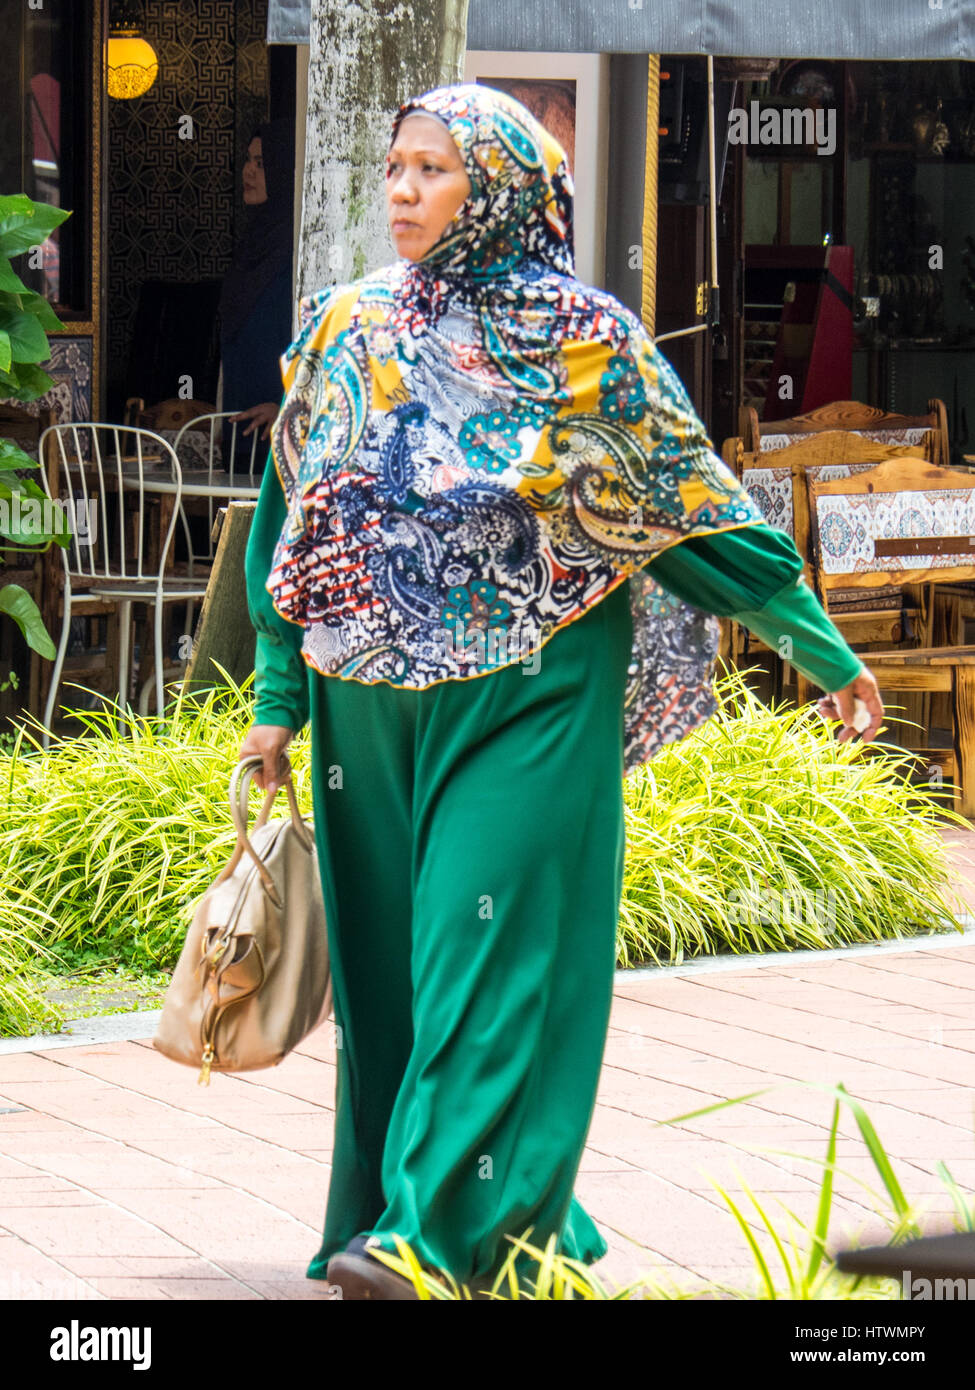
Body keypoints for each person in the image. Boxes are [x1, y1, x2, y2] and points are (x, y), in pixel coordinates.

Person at [239, 83, 884, 1300]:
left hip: (533, 694)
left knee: (488, 946)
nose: (405, 192)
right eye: (397, 169)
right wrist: (276, 693)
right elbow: (292, 521)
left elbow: (690, 514)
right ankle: (461, 1213)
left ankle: (432, 1239)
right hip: (364, 706)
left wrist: (820, 645)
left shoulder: (588, 344)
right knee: (392, 974)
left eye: (435, 171)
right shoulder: (348, 328)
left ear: (501, 190)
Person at [217, 117, 296, 474]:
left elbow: (318, 342)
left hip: (279, 431)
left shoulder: (296, 253)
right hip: (240, 423)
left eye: (261, 163)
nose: (248, 171)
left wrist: (285, 404)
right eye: (248, 160)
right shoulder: (251, 247)